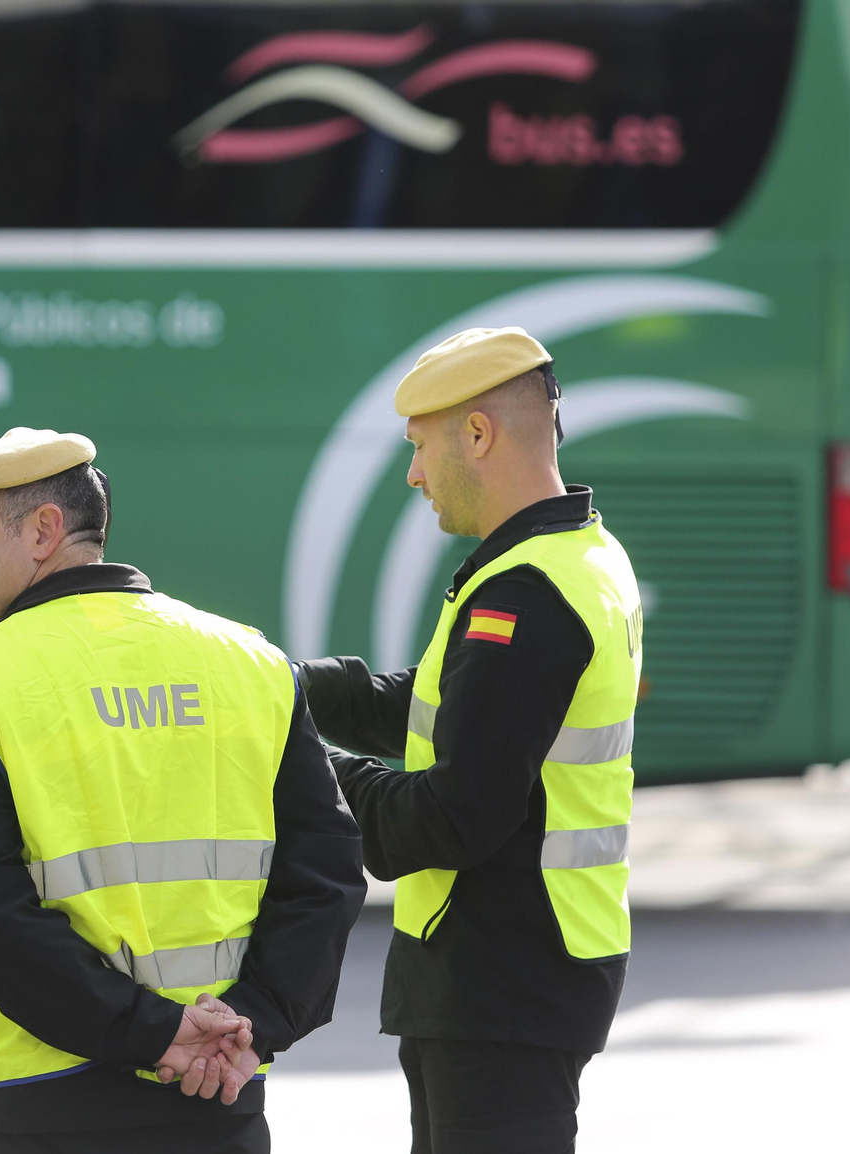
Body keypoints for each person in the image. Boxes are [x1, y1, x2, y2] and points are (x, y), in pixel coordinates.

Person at [0, 426, 367, 1154]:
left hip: (35, 1103)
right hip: (220, 1093)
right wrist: (253, 1023)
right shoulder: (251, 662)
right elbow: (327, 870)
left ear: (44, 531)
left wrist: (156, 1034)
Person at [298, 328, 642, 1153]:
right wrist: (278, 688)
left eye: (420, 447)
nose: (413, 474)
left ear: (479, 435)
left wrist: (301, 767)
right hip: (521, 968)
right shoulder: (577, 555)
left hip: (503, 975)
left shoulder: (527, 594)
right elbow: (442, 708)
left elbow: (453, 816)